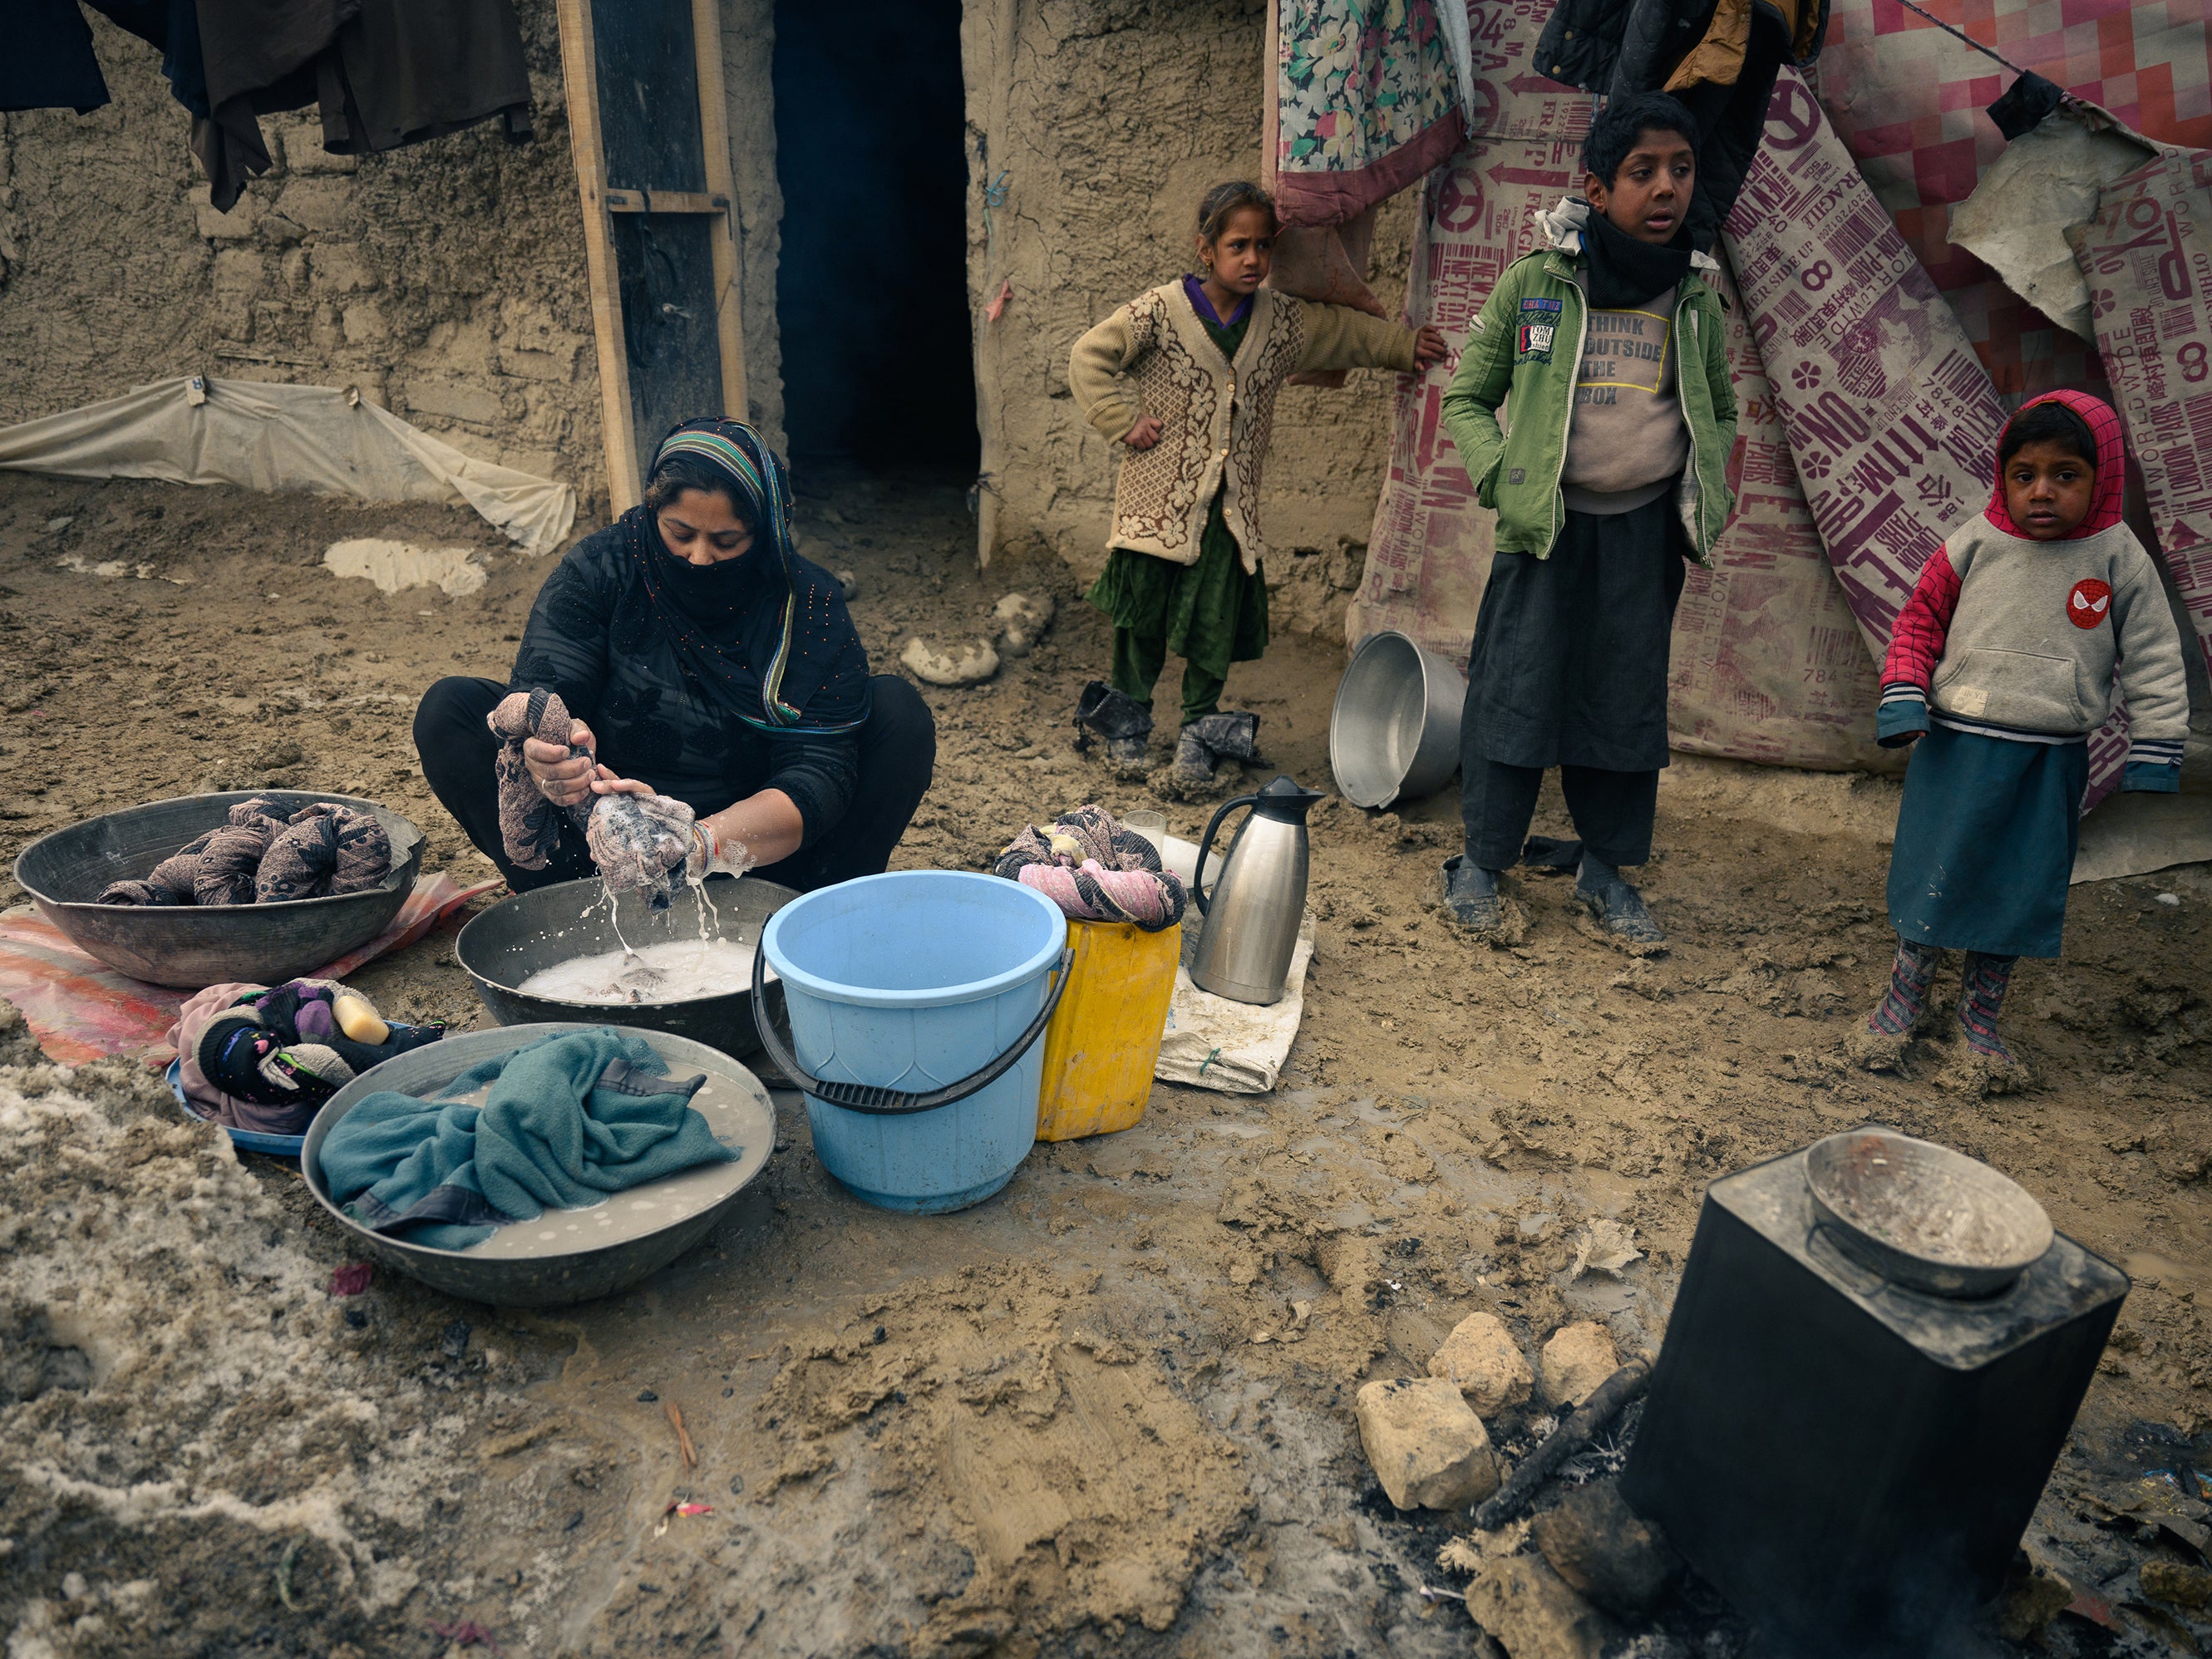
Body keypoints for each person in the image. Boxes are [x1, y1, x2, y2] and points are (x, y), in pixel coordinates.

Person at [1436, 91, 1737, 947]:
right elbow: (1467, 397)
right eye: (1643, 172)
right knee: (1513, 695)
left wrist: (1706, 485)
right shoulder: (1539, 287)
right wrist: (1504, 476)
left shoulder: (1694, 298)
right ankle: (1480, 868)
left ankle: (1604, 875)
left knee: (1624, 702)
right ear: (1598, 190)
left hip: (1642, 535)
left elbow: (1717, 407)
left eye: (1680, 170)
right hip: (1547, 532)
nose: (1667, 187)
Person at [414, 418, 935, 894]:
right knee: (451, 710)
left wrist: (695, 845)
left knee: (897, 714)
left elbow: (820, 772)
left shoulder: (807, 608)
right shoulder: (604, 568)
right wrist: (551, 756)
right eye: (679, 533)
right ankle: (575, 905)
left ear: (766, 532)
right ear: (653, 512)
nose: (699, 557)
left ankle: (801, 912)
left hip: (752, 848)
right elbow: (545, 690)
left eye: (727, 540)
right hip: (606, 839)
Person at [1855, 392, 2187, 1082]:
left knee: (2014, 887)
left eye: (2065, 475)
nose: (2041, 492)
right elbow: (1917, 622)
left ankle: (1979, 1021)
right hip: (1956, 747)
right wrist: (1903, 697)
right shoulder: (1973, 543)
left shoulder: (2118, 557)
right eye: (2024, 474)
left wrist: (2155, 747)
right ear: (2001, 477)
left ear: (2102, 480)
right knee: (1933, 872)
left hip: (2049, 760)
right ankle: (1903, 997)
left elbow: (2155, 653)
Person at [1068, 180, 1448, 780]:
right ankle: (1130, 720)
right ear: (1205, 249)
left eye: (1264, 247)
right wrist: (1122, 421)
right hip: (1155, 506)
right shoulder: (1159, 313)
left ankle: (1198, 723)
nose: (1252, 260)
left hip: (1229, 514)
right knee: (1140, 620)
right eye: (1238, 246)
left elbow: (1344, 332)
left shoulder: (1279, 322)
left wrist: (1403, 345)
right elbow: (1089, 355)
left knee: (1212, 618)